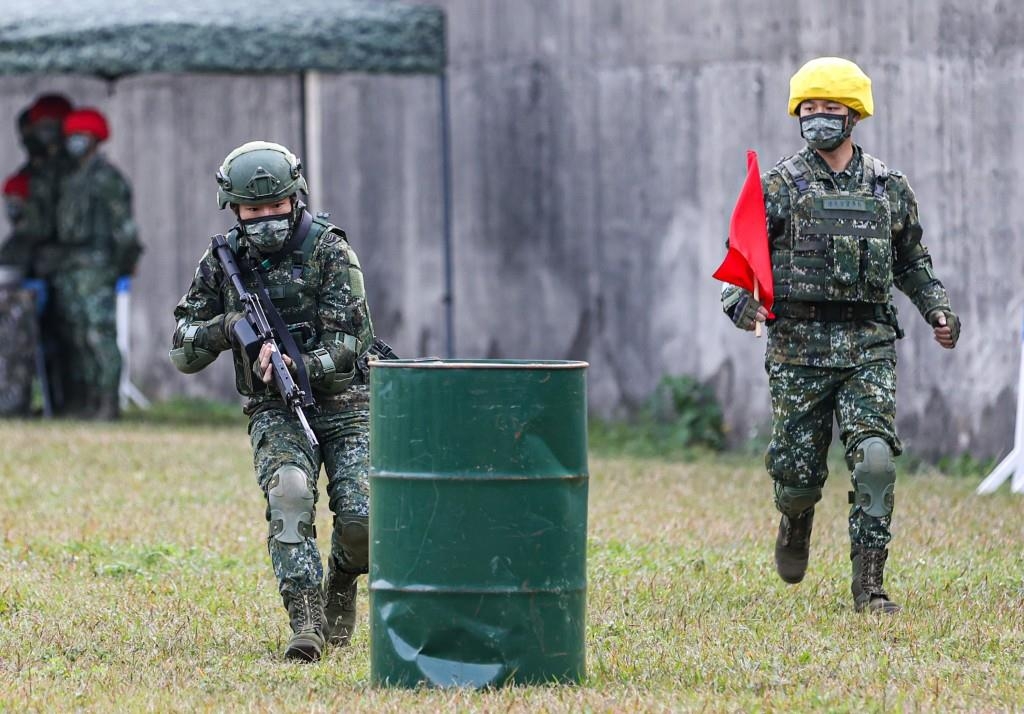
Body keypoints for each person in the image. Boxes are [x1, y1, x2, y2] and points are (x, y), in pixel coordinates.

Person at [720, 57, 959, 613]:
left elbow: (911, 261)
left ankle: (869, 587)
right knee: (799, 475)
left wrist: (937, 309)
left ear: (854, 117)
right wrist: (744, 305)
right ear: (797, 114)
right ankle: (795, 519)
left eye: (831, 110)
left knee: (875, 460)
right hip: (797, 351)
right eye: (810, 109)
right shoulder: (778, 185)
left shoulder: (887, 187)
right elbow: (738, 265)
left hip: (867, 347)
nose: (819, 119)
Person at [170, 141, 376, 662]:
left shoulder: (329, 250)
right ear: (233, 209)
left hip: (347, 406)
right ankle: (306, 619)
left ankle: (342, 581)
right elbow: (182, 348)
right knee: (289, 494)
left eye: (276, 207)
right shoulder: (223, 262)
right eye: (253, 211)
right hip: (276, 409)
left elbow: (351, 344)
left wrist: (299, 366)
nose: (266, 219)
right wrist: (229, 328)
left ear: (296, 198)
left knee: (363, 522)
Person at [48, 108, 141, 419]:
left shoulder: (106, 178)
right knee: (76, 335)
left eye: (81, 135)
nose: (75, 141)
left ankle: (107, 403)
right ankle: (86, 401)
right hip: (72, 266)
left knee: (98, 334)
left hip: (97, 266)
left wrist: (122, 265)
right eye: (71, 135)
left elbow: (125, 230)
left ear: (95, 139)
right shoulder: (72, 177)